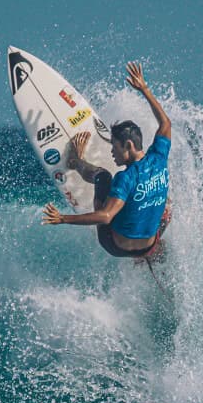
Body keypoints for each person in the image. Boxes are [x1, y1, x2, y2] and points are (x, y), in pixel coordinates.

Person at [41, 62, 172, 259]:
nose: (112, 152)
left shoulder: (125, 178)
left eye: (114, 146)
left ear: (128, 145)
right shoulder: (160, 157)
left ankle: (75, 162)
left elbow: (105, 216)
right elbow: (165, 123)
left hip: (116, 246)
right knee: (168, 207)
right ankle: (151, 252)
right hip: (149, 245)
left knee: (103, 176)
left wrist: (63, 218)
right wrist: (144, 89)